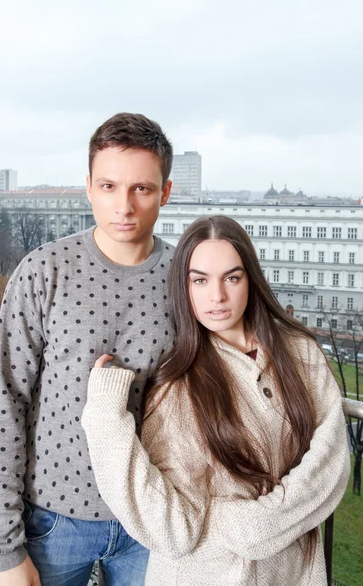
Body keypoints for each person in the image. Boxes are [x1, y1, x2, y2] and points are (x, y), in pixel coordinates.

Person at [81, 215, 350, 586]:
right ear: (184, 287)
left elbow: (332, 459)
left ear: (250, 280)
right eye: (200, 280)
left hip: (293, 573)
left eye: (232, 277)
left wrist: (258, 523)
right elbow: (172, 530)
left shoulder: (300, 353)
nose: (217, 296)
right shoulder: (178, 386)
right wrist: (106, 417)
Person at [0, 112, 175, 586]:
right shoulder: (44, 270)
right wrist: (4, 549)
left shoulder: (185, 279)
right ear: (88, 187)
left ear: (165, 192)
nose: (124, 205)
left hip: (152, 521)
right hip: (51, 520)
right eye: (109, 187)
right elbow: (6, 403)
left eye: (141, 189)